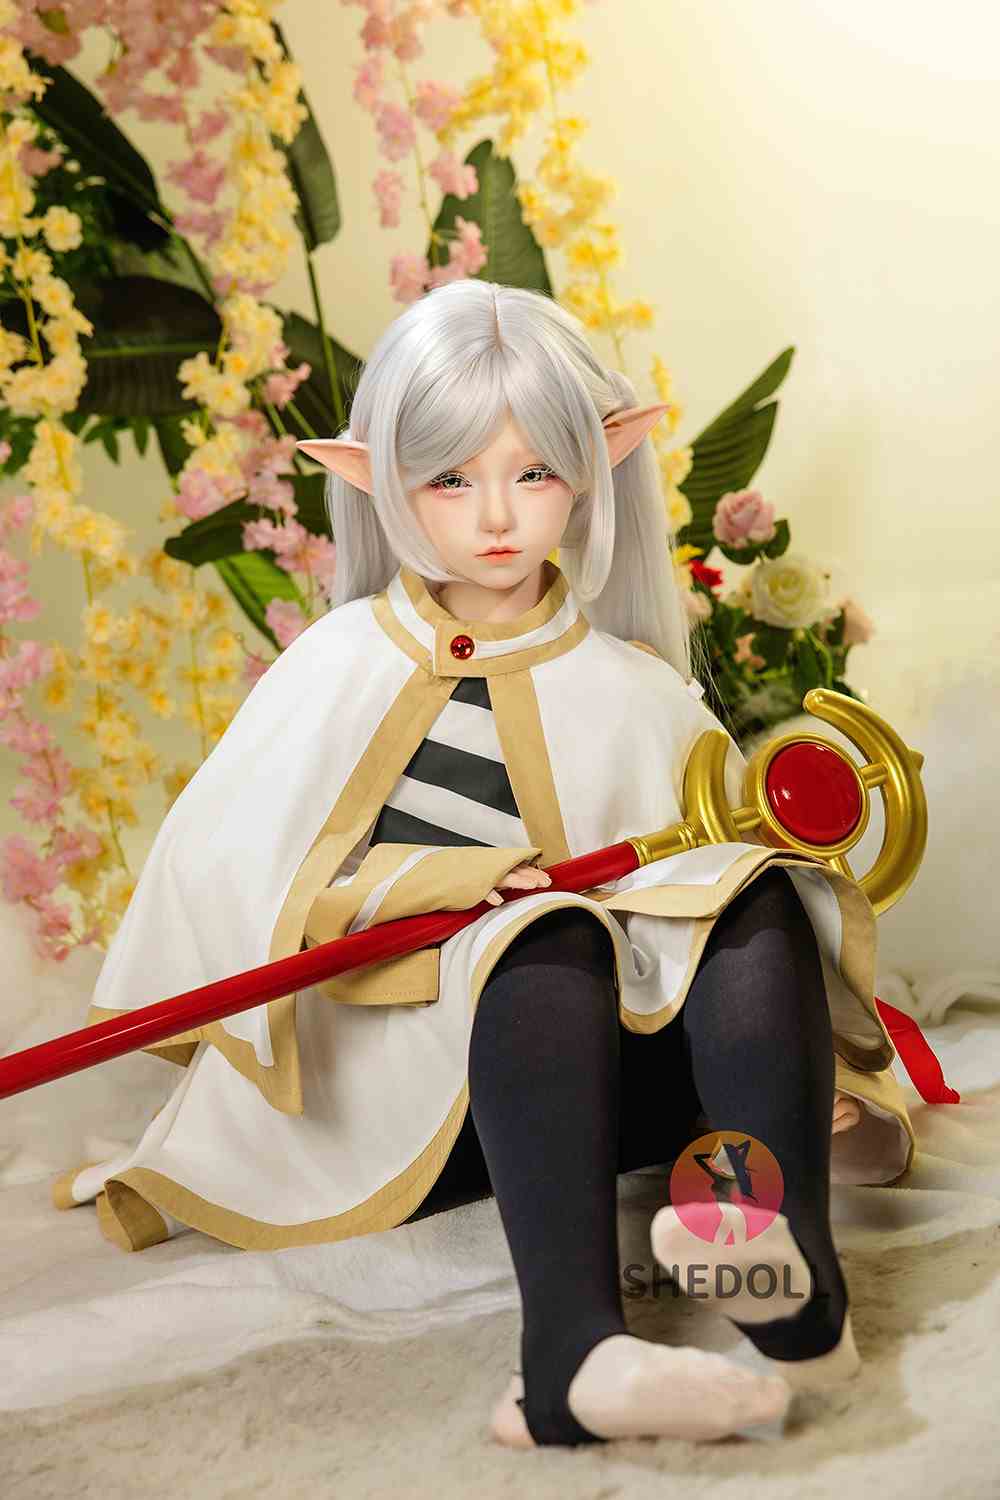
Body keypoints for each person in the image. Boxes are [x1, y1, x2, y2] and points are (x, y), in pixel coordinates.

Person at [52, 279, 916, 1450]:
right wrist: (436, 888)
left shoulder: (632, 687)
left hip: (605, 1085)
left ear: (597, 466)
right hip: (400, 1091)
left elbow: (694, 916)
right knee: (538, 932)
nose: (497, 517)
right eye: (450, 479)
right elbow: (235, 885)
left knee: (749, 889)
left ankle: (791, 1271)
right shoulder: (335, 666)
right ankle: (571, 1356)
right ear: (376, 479)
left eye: (534, 472)